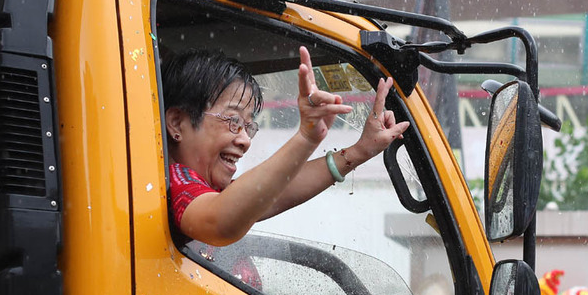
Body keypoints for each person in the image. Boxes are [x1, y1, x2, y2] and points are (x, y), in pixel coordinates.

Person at [163, 46, 409, 245]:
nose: (245, 140)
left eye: (249, 127)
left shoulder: (211, 194)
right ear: (176, 123)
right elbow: (218, 222)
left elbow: (274, 193)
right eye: (233, 121)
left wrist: (360, 151)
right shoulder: (176, 183)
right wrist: (306, 138)